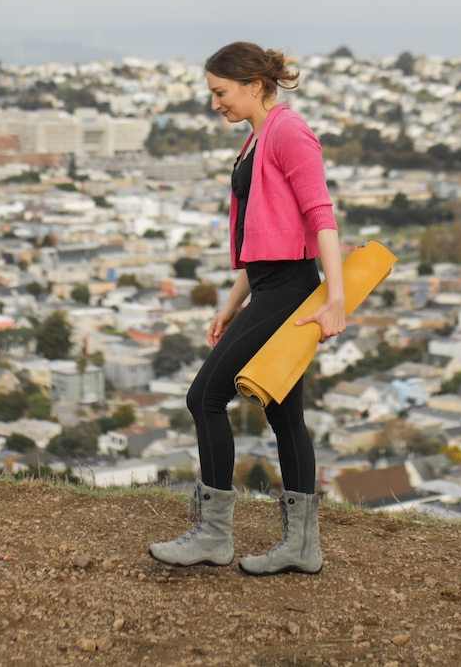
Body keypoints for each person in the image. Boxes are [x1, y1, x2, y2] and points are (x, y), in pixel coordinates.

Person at [148, 42, 345, 575]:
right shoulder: (256, 138)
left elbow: (321, 216)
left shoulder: (288, 132)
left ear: (255, 85)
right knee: (284, 415)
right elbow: (261, 232)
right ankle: (302, 547)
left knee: (205, 397)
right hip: (269, 286)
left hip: (290, 291)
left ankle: (214, 535)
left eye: (221, 92)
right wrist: (235, 303)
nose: (215, 104)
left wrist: (336, 299)